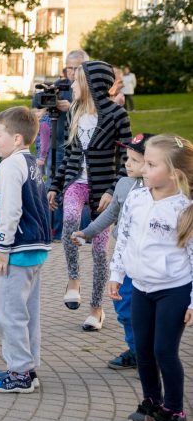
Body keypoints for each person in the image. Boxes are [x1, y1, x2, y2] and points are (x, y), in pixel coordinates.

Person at [108, 134, 193, 421]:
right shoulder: (137, 196)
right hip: (140, 286)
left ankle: (175, 412)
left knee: (163, 351)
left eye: (151, 164)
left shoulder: (185, 208)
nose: (143, 168)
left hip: (174, 289)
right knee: (142, 349)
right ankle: (152, 402)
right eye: (144, 162)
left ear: (174, 174)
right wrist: (116, 273)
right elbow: (125, 237)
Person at [48, 60, 132, 331]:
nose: (71, 85)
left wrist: (113, 190)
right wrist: (55, 185)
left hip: (104, 190)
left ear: (91, 84)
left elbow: (126, 160)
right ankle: (73, 279)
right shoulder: (74, 111)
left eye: (77, 80)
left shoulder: (118, 116)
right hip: (76, 182)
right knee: (70, 218)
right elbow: (69, 153)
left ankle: (96, 310)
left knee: (99, 251)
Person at [0, 107, 52, 394]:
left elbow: (11, 209)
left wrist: (3, 247)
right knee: (27, 312)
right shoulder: (31, 162)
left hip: (16, 250)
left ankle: (19, 372)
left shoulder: (10, 165)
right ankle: (27, 366)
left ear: (17, 138)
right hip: (33, 249)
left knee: (7, 312)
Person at [73, 133, 151, 370]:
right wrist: (87, 232)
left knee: (149, 312)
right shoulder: (124, 184)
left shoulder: (160, 189)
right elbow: (110, 214)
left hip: (150, 263)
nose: (127, 164)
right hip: (125, 260)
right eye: (126, 158)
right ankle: (136, 351)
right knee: (124, 308)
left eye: (135, 160)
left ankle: (150, 355)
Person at [34, 49, 85, 239]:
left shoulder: (85, 89)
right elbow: (38, 104)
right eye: (69, 68)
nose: (71, 73)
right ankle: (52, 229)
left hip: (74, 146)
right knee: (51, 188)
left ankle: (67, 230)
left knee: (70, 186)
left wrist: (70, 106)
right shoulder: (59, 86)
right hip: (54, 146)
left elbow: (91, 111)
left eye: (76, 68)